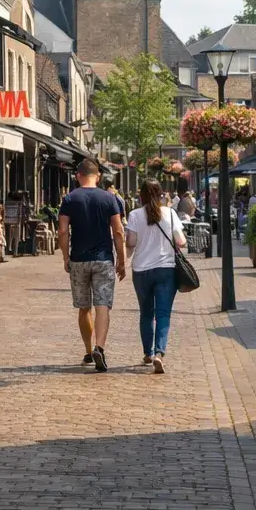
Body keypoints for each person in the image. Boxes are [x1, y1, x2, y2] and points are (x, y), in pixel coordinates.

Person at [58, 158, 126, 372]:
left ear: (78, 176)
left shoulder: (69, 199)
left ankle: (88, 351)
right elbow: (117, 231)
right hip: (104, 259)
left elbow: (62, 231)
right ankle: (100, 347)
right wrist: (122, 261)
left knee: (84, 307)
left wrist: (65, 257)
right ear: (98, 176)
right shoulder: (109, 198)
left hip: (78, 259)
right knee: (102, 305)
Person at [126, 179, 186, 374]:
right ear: (161, 195)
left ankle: (148, 353)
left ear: (141, 196)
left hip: (141, 270)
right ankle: (160, 353)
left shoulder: (135, 215)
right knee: (163, 315)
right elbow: (181, 241)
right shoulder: (170, 213)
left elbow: (131, 242)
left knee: (146, 313)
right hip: (166, 269)